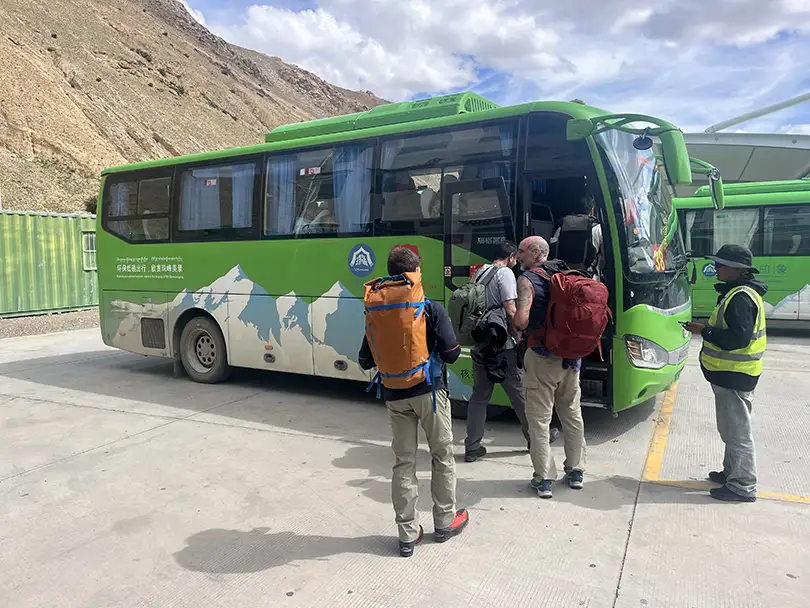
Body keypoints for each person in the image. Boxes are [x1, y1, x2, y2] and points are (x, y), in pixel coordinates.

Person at [359, 246, 469, 556]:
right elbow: (452, 354)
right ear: (416, 272)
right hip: (430, 393)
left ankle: (407, 535)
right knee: (442, 455)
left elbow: (365, 359)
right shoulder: (430, 308)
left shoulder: (377, 309)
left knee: (403, 462)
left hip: (395, 396)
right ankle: (445, 521)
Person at [685, 244, 767, 503]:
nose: (716, 269)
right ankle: (731, 472)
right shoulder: (739, 293)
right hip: (732, 375)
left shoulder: (741, 298)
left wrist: (704, 331)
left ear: (736, 269)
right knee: (730, 429)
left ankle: (742, 485)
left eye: (721, 265)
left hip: (735, 375)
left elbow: (738, 339)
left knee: (738, 432)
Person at [464, 241, 558, 462]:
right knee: (519, 394)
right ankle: (534, 439)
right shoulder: (504, 273)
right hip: (502, 346)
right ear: (511, 256)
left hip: (481, 344)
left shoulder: (479, 272)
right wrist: (519, 334)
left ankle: (472, 446)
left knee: (479, 397)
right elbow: (510, 309)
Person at [513, 236, 587, 499]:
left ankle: (544, 478)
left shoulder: (528, 279)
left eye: (521, 251)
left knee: (540, 421)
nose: (518, 256)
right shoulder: (566, 272)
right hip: (571, 358)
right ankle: (576, 471)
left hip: (542, 357)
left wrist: (511, 311)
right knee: (572, 414)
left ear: (535, 252)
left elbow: (522, 321)